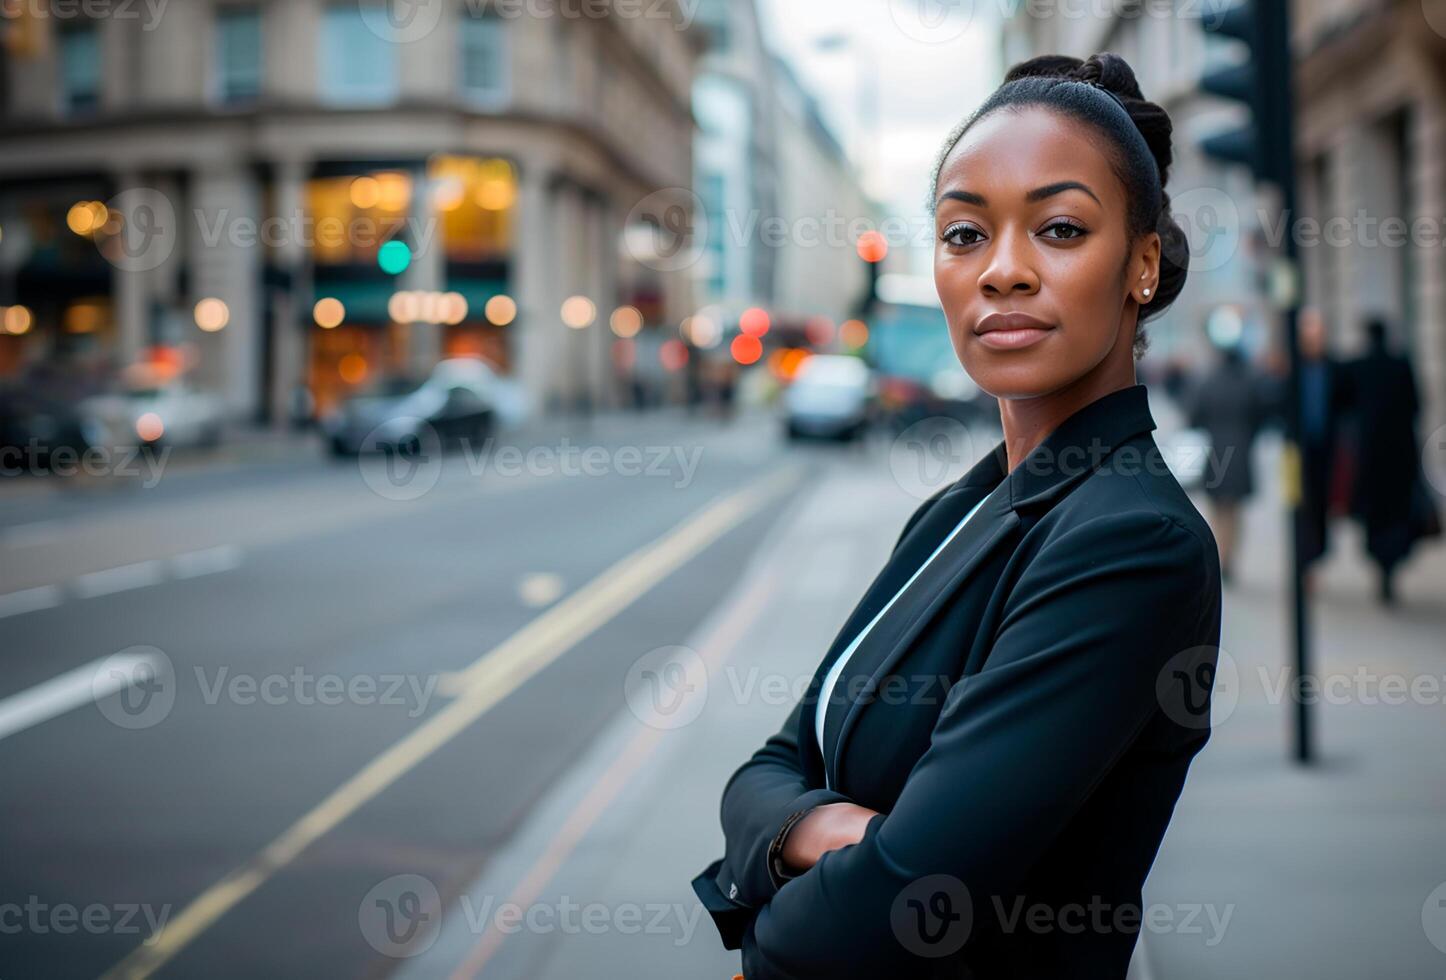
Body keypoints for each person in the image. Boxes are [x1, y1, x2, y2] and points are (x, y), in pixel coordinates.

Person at [692, 53, 1221, 978]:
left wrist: (770, 931)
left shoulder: (1131, 543)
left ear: (1141, 264)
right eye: (965, 234)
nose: (1003, 272)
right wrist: (827, 827)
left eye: (1059, 228)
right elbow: (765, 768)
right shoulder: (955, 510)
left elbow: (904, 900)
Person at [1347, 317, 1423, 604]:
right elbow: (1416, 405)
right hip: (1400, 455)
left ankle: (1383, 567)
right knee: (1395, 515)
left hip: (1371, 455)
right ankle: (1390, 568)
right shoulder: (1401, 364)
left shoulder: (1361, 367)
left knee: (1377, 517)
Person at [1184, 340, 1270, 583]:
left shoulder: (1208, 382)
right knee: (1234, 511)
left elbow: (1194, 416)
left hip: (1216, 451)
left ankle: (1220, 554)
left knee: (1217, 508)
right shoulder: (1249, 382)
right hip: (1241, 449)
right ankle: (1229, 557)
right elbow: (1260, 415)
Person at [1295, 307, 1351, 579]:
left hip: (1327, 446)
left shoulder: (1334, 368)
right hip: (1299, 449)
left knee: (1322, 502)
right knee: (1300, 502)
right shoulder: (1294, 368)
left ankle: (1318, 550)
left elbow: (1345, 406)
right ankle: (1306, 557)